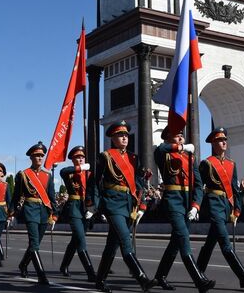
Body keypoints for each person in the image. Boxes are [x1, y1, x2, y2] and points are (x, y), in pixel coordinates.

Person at [94, 121, 156, 293]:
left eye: (126, 135)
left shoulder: (133, 158)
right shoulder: (105, 156)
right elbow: (96, 182)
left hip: (128, 204)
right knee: (125, 240)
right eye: (120, 135)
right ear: (113, 138)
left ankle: (99, 280)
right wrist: (96, 206)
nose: (124, 138)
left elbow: (138, 183)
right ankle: (142, 278)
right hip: (113, 204)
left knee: (112, 245)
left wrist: (141, 204)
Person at [196, 127, 244, 288]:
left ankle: (197, 272)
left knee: (211, 241)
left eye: (224, 139)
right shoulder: (207, 163)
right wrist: (195, 205)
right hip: (213, 204)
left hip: (226, 205)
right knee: (225, 242)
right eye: (219, 140)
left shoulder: (232, 164)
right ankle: (243, 276)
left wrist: (237, 209)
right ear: (213, 143)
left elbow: (235, 188)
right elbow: (198, 186)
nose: (224, 142)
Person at [153, 127, 215, 292]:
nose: (180, 137)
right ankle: (199, 280)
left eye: (182, 135)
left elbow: (199, 184)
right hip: (173, 200)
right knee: (183, 239)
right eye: (176, 134)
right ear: (167, 137)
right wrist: (181, 148)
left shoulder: (190, 157)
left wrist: (196, 205)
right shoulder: (163, 153)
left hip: (188, 202)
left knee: (175, 243)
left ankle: (160, 276)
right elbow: (160, 148)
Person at [10, 141, 58, 285]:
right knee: (35, 243)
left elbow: (51, 196)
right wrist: (11, 213)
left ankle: (23, 264)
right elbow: (16, 195)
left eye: (41, 156)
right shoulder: (23, 175)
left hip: (43, 212)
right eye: (36, 156)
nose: (39, 158)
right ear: (31, 157)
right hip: (30, 210)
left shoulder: (47, 176)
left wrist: (54, 214)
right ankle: (41, 276)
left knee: (35, 243)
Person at [58, 146, 97, 282]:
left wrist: (94, 209)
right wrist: (81, 168)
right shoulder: (69, 173)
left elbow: (95, 192)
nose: (80, 159)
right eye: (77, 157)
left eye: (82, 157)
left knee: (75, 240)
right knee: (80, 240)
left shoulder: (90, 174)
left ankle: (64, 266)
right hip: (74, 208)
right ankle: (90, 273)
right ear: (73, 160)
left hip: (86, 209)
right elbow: (62, 171)